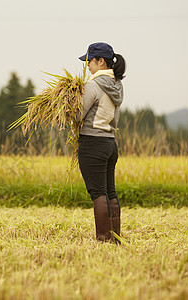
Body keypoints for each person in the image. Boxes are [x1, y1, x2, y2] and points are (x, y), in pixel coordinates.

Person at [77, 42, 126, 243]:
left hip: (92, 143)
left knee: (98, 193)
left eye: (90, 61)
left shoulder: (93, 86)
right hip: (109, 143)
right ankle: (115, 238)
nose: (88, 65)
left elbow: (78, 114)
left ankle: (104, 240)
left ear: (101, 61)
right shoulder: (117, 86)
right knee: (110, 192)